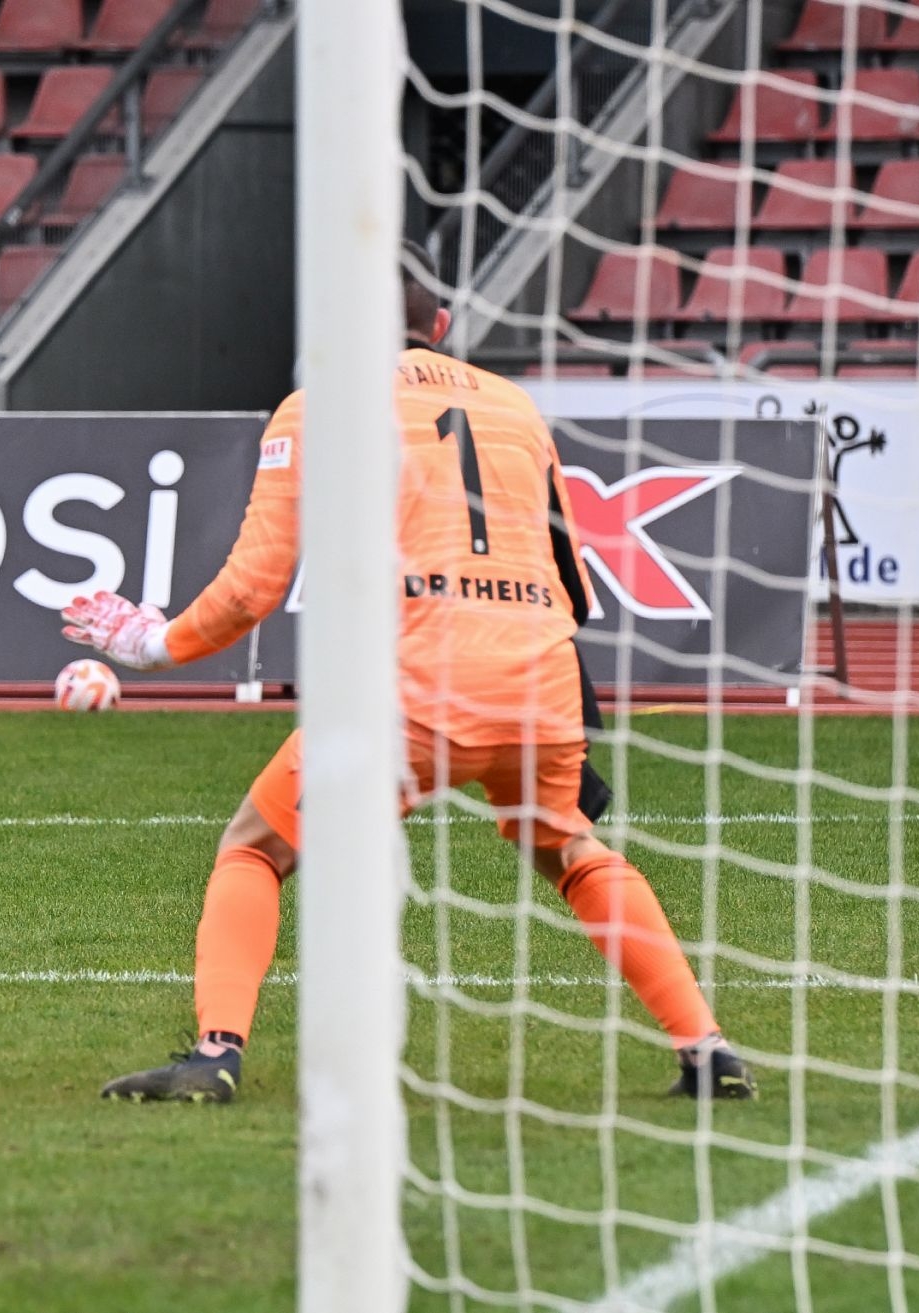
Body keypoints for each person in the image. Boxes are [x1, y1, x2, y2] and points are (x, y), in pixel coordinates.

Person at [64, 243, 756, 1103]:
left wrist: (153, 644)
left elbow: (251, 589)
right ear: (443, 323)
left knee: (254, 846)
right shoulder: (515, 406)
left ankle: (215, 1054)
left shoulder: (318, 407)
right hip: (538, 681)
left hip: (411, 691)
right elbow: (570, 583)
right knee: (570, 848)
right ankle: (706, 1046)